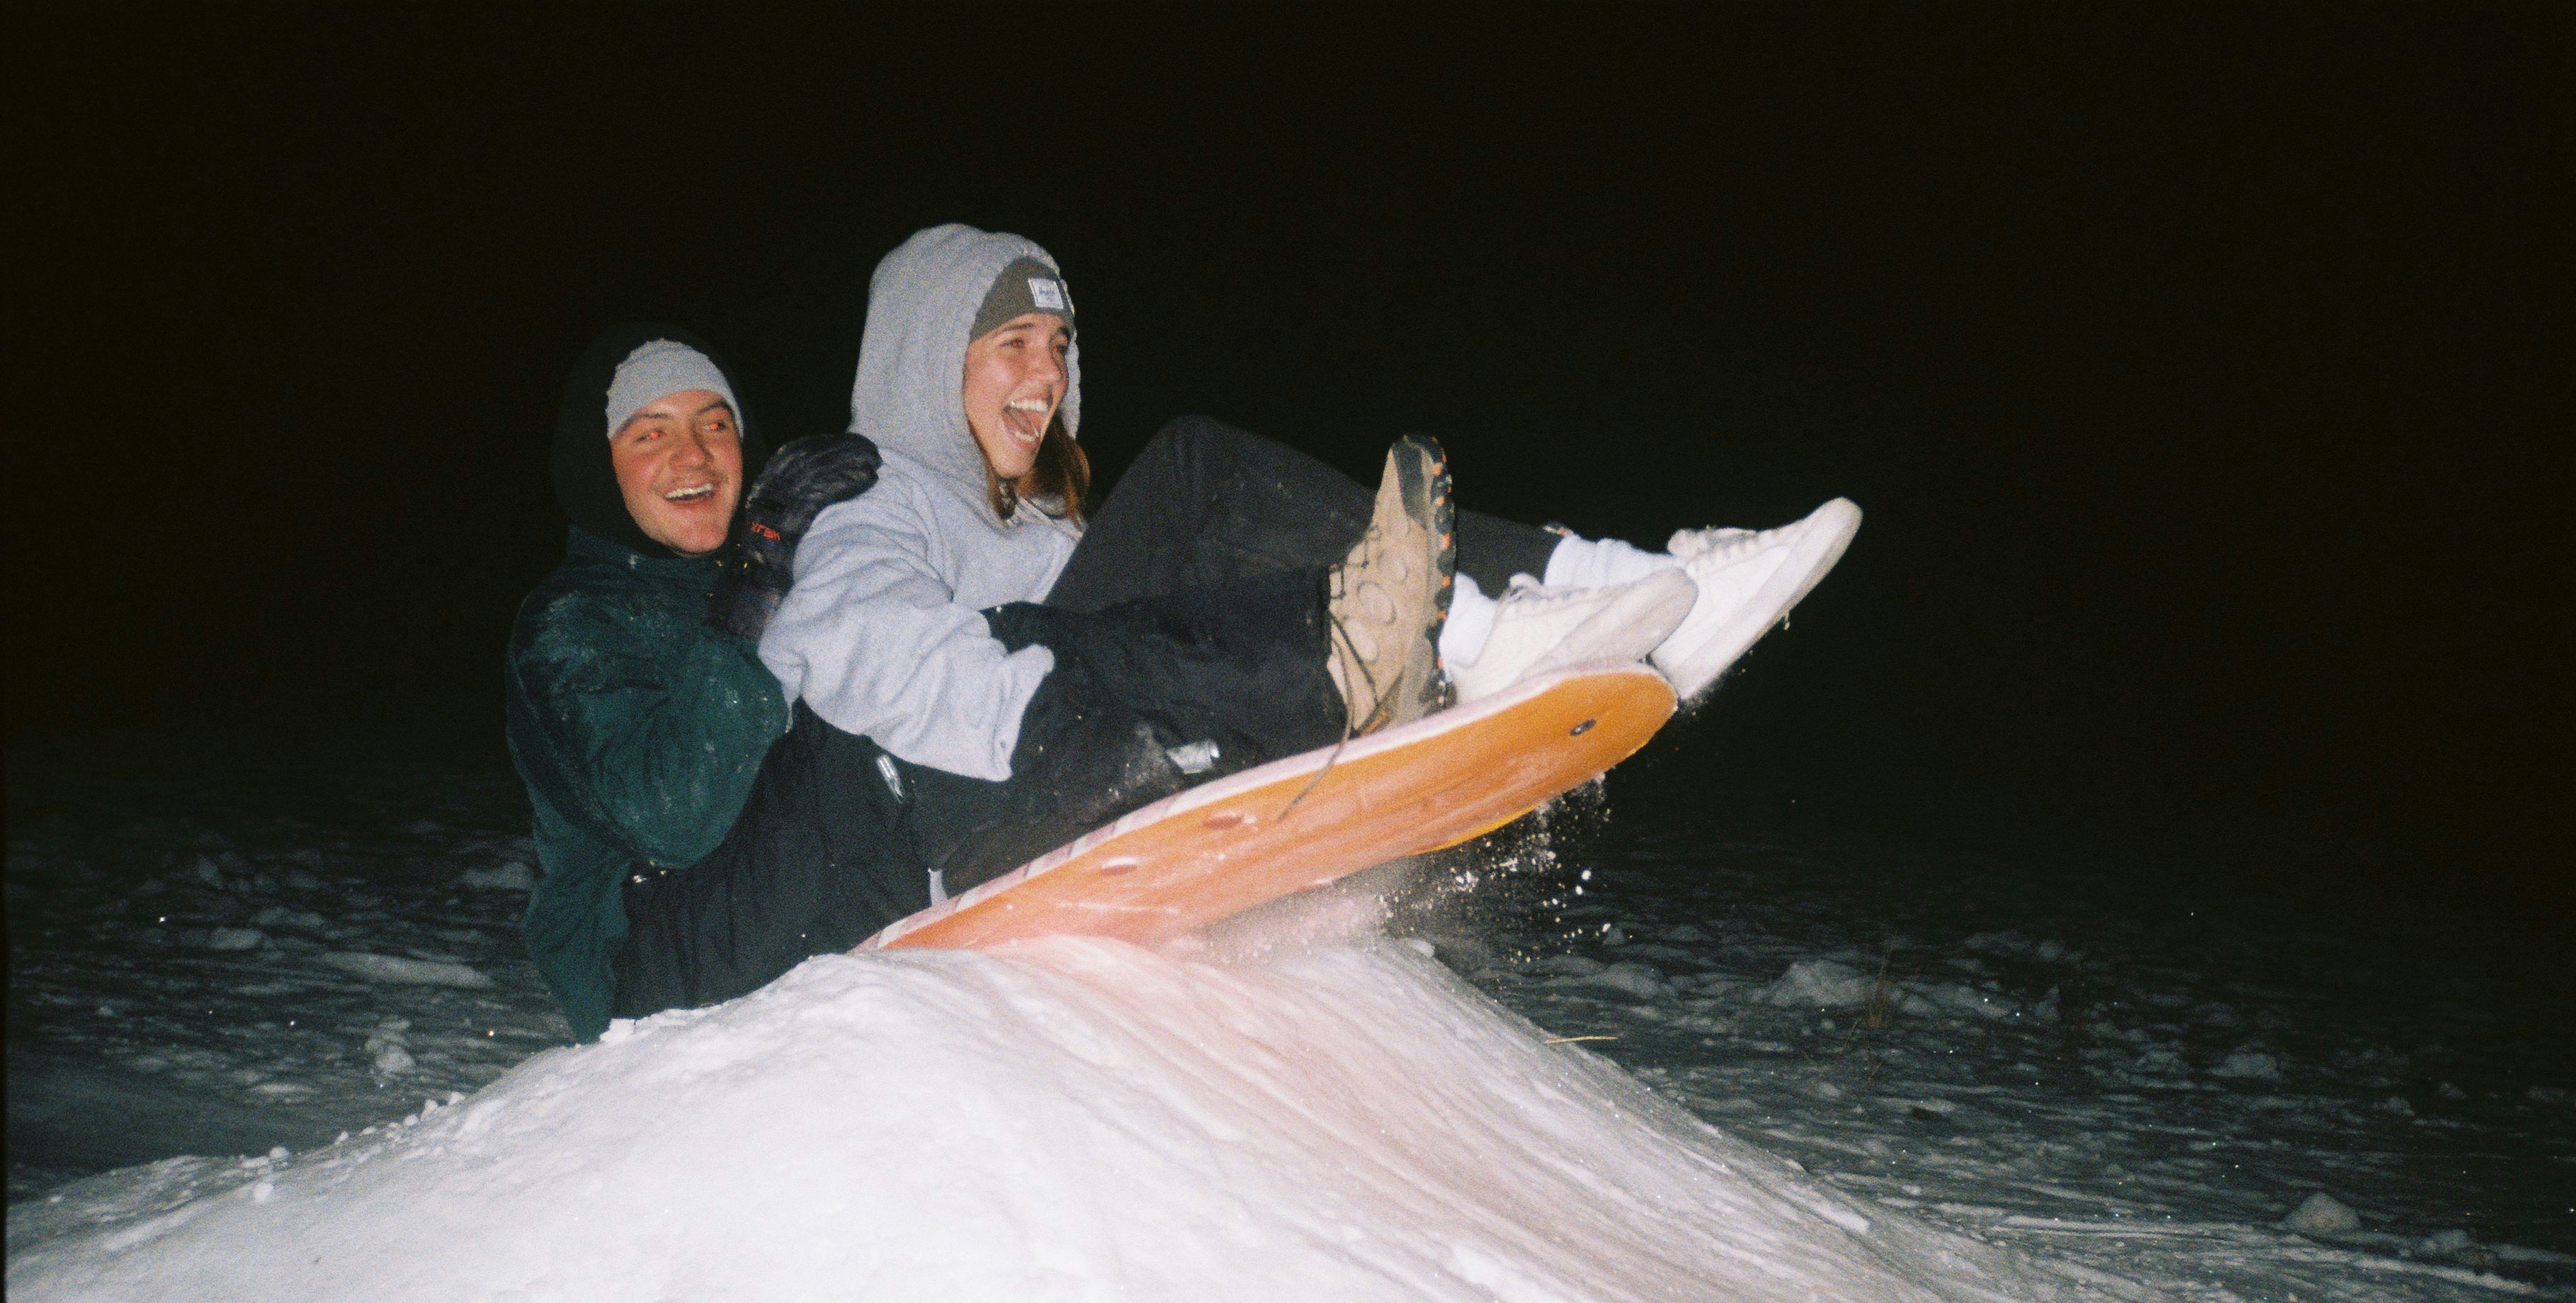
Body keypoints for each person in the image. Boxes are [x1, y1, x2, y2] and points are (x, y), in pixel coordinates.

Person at [759, 224, 1860, 898]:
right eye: (1011, 346)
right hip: (986, 801)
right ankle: (1514, 613)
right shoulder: (877, 499)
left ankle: (1562, 598)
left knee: (1218, 572)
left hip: (1066, 753)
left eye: (1058, 347)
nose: (1044, 376)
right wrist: (1048, 720)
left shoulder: (1047, 537)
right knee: (1195, 477)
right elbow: (844, 641)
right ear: (923, 358)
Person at [505, 325, 897, 1038]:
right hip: (642, 957)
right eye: (649, 435)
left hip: (778, 901)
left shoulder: (763, 578)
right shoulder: (572, 623)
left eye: (715, 425)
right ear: (601, 467)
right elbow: (671, 818)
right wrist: (753, 590)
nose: (695, 455)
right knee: (854, 740)